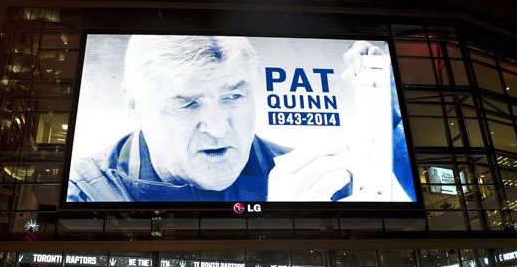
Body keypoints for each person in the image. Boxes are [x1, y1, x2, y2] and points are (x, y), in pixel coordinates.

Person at [68, 36, 413, 203]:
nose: (218, 128)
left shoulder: (313, 179)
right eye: (187, 103)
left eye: (234, 96)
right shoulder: (84, 190)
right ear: (134, 104)